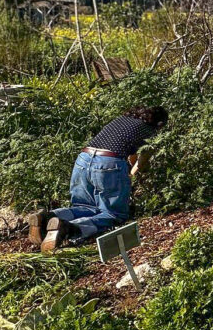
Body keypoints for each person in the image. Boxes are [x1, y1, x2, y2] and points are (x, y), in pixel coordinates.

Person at [28, 106, 168, 253]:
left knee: (85, 206)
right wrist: (132, 175)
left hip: (83, 158)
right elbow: (142, 160)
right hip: (108, 163)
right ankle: (67, 228)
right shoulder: (150, 131)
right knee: (114, 214)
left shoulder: (124, 120)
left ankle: (48, 217)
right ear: (159, 124)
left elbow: (131, 154)